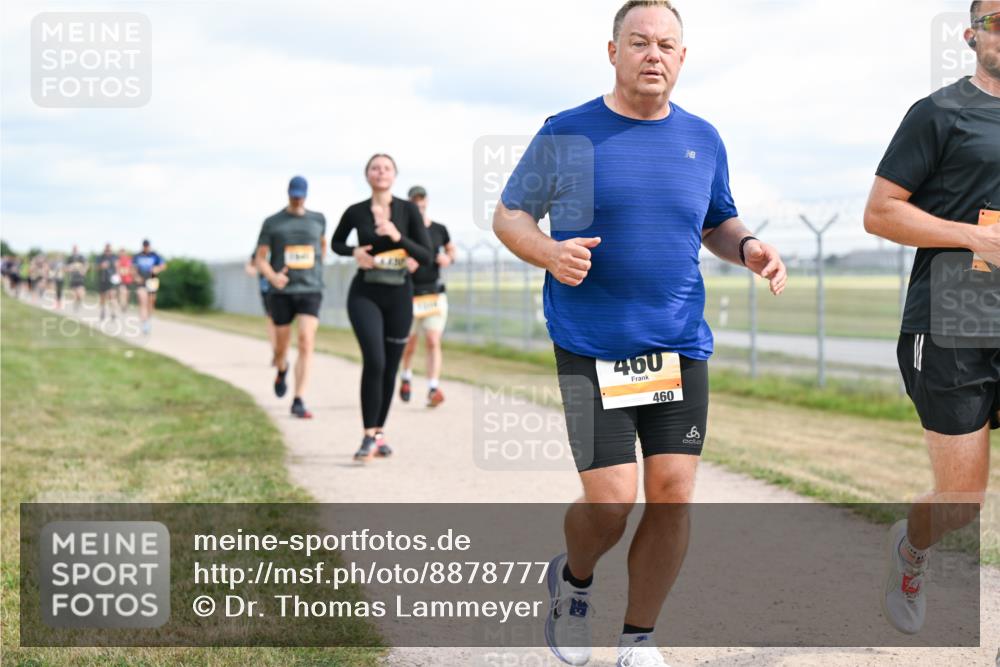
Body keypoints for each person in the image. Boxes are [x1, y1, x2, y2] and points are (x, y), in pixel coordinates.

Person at [493, 3, 787, 665]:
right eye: (639, 42)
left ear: (682, 57)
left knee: (674, 491)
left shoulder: (703, 138)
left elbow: (717, 221)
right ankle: (573, 582)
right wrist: (549, 252)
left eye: (666, 45)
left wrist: (750, 247)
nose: (654, 54)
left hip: (676, 344)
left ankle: (638, 638)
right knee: (611, 500)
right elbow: (510, 216)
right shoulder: (567, 131)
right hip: (591, 343)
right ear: (613, 51)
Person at [863, 0, 1000, 636]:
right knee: (962, 502)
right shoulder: (940, 112)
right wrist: (973, 237)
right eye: (995, 19)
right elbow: (881, 212)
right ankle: (912, 548)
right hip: (954, 314)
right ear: (971, 34)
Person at [332, 155, 434, 461]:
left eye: (386, 168)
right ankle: (367, 435)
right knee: (375, 361)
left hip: (399, 295)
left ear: (394, 175)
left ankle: (378, 433)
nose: (381, 172)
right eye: (375, 168)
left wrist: (397, 236)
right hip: (365, 293)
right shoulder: (355, 211)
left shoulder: (408, 210)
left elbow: (426, 255)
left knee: (390, 366)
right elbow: (336, 243)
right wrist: (354, 251)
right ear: (367, 175)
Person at [255, 176, 327, 419]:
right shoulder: (273, 223)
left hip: (310, 289)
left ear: (306, 195)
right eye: (294, 195)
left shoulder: (318, 220)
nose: (297, 200)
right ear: (288, 194)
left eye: (300, 196)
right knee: (281, 348)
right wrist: (273, 277)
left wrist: (316, 270)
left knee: (306, 340)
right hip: (282, 292)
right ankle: (282, 368)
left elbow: (322, 247)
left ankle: (299, 399)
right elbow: (260, 259)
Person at [399, 185, 457, 408]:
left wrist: (448, 258)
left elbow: (451, 249)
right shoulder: (403, 231)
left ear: (427, 202)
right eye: (415, 201)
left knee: (433, 340)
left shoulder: (439, 229)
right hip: (409, 295)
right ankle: (406, 376)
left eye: (422, 200)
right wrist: (405, 263)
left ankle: (433, 388)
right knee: (410, 344)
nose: (419, 204)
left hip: (433, 294)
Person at [245, 249, 278, 362]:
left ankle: (279, 352)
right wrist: (257, 268)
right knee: (271, 322)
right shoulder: (261, 249)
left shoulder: (281, 244)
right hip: (267, 291)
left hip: (281, 289)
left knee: (280, 323)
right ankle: (276, 351)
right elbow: (250, 267)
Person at [133, 239, 166, 335]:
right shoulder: (137, 256)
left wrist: (157, 269)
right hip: (141, 281)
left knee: (151, 301)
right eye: (144, 246)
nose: (146, 247)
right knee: (143, 301)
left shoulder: (155, 255)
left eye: (147, 246)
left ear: (149, 246)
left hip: (152, 280)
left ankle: (148, 319)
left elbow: (163, 266)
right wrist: (136, 276)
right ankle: (144, 323)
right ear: (142, 246)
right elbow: (133, 268)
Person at [96, 243, 120, 321]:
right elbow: (96, 267)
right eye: (107, 250)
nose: (108, 252)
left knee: (112, 295)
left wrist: (118, 275)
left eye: (109, 250)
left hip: (112, 280)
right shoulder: (100, 257)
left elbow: (118, 267)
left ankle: (113, 313)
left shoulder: (114, 257)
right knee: (103, 297)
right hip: (103, 279)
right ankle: (102, 311)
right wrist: (101, 266)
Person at [65, 246, 88, 312]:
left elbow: (86, 265)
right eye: (74, 249)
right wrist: (70, 268)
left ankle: (78, 302)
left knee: (80, 295)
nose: (75, 251)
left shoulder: (81, 257)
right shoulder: (70, 258)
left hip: (80, 278)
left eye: (76, 249)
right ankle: (75, 305)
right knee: (74, 295)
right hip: (72, 278)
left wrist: (84, 271)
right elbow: (66, 268)